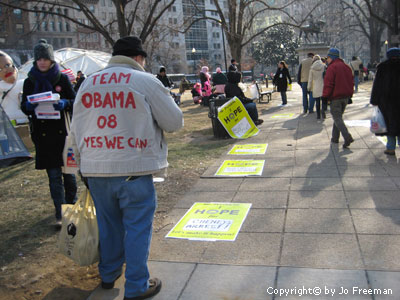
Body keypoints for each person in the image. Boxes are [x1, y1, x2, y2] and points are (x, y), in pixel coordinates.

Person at [70, 36, 183, 300]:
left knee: (108, 225)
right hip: (133, 168)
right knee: (137, 228)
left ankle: (108, 275)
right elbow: (174, 122)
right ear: (139, 58)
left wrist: (80, 166)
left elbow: (74, 130)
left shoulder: (88, 83)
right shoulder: (144, 81)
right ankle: (136, 286)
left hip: (95, 169)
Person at [21, 39, 77, 227]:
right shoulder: (30, 81)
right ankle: (60, 212)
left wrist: (65, 103)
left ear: (52, 60)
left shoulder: (61, 79)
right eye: (39, 59)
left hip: (64, 135)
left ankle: (72, 207)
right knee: (53, 176)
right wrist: (28, 107)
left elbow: (75, 100)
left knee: (69, 174)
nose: (43, 62)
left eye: (46, 58)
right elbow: (24, 106)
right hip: (44, 137)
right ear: (35, 61)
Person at [322, 48, 354, 148]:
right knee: (338, 117)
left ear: (331, 57)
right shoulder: (346, 67)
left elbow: (328, 84)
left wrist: (325, 96)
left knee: (337, 118)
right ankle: (335, 138)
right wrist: (350, 94)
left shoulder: (332, 68)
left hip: (335, 97)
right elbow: (351, 82)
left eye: (328, 58)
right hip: (345, 96)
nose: (327, 60)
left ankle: (347, 136)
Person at [370, 47, 400, 155]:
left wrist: (374, 100)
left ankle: (390, 147)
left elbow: (377, 85)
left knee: (389, 123)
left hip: (387, 101)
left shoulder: (383, 67)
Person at [0, 51, 28, 124]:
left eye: (7, 65)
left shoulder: (27, 83)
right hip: (9, 126)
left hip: (27, 123)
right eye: (0, 69)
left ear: (13, 65)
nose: (5, 70)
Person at [308, 55, 326, 119]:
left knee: (317, 101)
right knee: (323, 101)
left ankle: (318, 115)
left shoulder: (312, 68)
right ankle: (323, 111)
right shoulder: (324, 66)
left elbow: (310, 79)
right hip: (323, 85)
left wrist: (309, 87)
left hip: (315, 86)